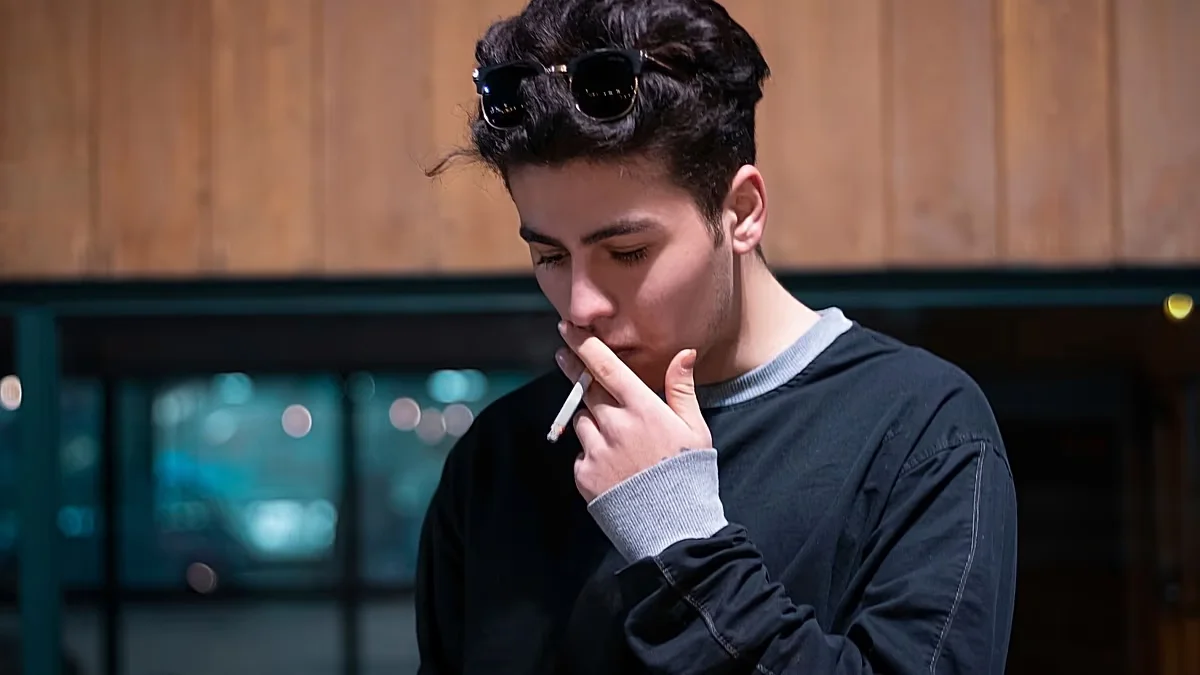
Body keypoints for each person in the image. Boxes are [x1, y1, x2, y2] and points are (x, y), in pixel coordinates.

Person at [417, 0, 1019, 672]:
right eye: (550, 256)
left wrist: (682, 543)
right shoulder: (497, 459)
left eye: (627, 252)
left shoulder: (921, 429)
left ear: (742, 212)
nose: (580, 306)